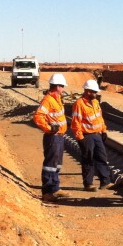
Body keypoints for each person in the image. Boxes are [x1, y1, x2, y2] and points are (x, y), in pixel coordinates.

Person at [71, 79, 113, 191]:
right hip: (87, 136)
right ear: (88, 91)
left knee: (102, 157)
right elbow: (76, 123)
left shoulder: (95, 102)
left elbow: (100, 118)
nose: (96, 94)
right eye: (94, 92)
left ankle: (105, 182)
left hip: (97, 135)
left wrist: (104, 130)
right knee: (88, 159)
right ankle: (88, 184)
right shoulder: (79, 104)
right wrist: (80, 138)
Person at [33, 73, 68, 202]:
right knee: (50, 164)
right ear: (57, 86)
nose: (63, 88)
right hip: (52, 137)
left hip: (59, 136)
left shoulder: (57, 99)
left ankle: (55, 188)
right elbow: (38, 116)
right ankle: (47, 192)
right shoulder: (48, 100)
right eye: (62, 86)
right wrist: (49, 128)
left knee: (57, 164)